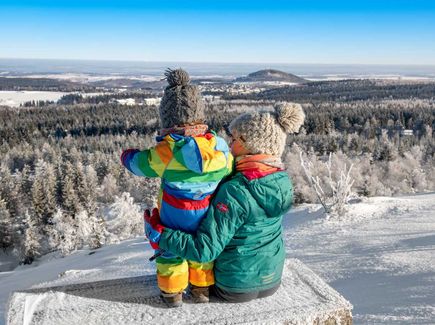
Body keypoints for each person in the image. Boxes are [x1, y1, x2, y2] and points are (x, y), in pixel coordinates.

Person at [145, 102, 305, 303]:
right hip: (272, 280)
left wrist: (160, 234)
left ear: (249, 144)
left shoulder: (236, 190)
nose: (229, 144)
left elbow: (204, 250)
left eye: (234, 138)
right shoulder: (281, 180)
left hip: (235, 285)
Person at [121, 68, 233, 307]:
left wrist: (126, 156)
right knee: (201, 249)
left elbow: (140, 165)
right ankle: (202, 289)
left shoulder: (169, 151)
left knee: (170, 250)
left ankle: (172, 294)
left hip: (174, 212)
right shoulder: (219, 149)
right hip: (207, 212)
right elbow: (230, 168)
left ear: (168, 119)